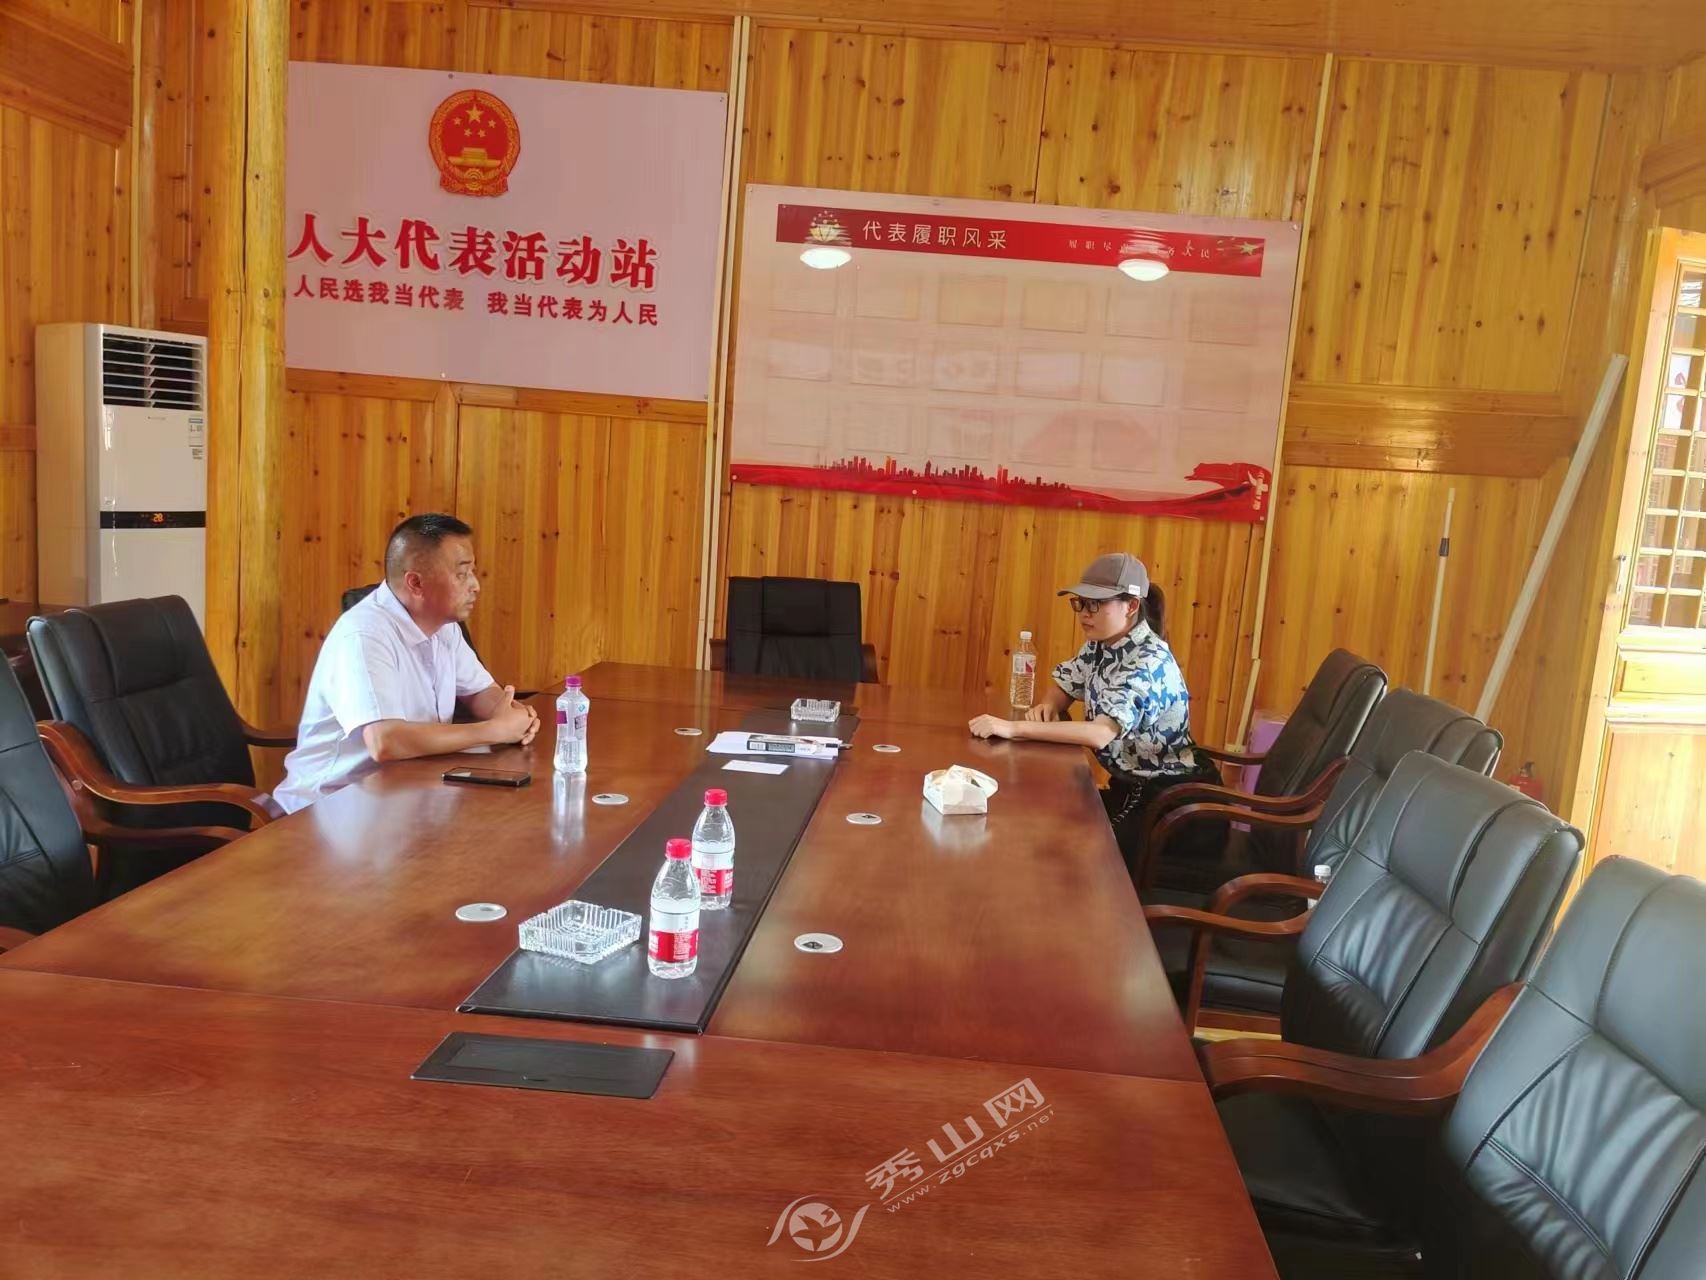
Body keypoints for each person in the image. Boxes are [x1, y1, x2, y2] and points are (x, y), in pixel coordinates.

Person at [274, 513, 540, 813]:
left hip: (406, 793)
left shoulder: (443, 625)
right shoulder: (364, 635)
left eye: (473, 572)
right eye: (462, 574)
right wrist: (494, 730)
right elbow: (385, 742)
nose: (475, 585)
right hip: (329, 808)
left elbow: (481, 692)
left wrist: (512, 716)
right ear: (415, 582)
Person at [968, 552, 1217, 866]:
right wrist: (1050, 704)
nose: (1085, 613)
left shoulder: (1148, 662)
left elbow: (1100, 733)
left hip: (1175, 811)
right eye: (1081, 603)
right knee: (1042, 821)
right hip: (1131, 791)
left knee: (1070, 857)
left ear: (1131, 605)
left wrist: (1013, 728)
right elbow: (1066, 683)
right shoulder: (1101, 643)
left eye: (1096, 604)